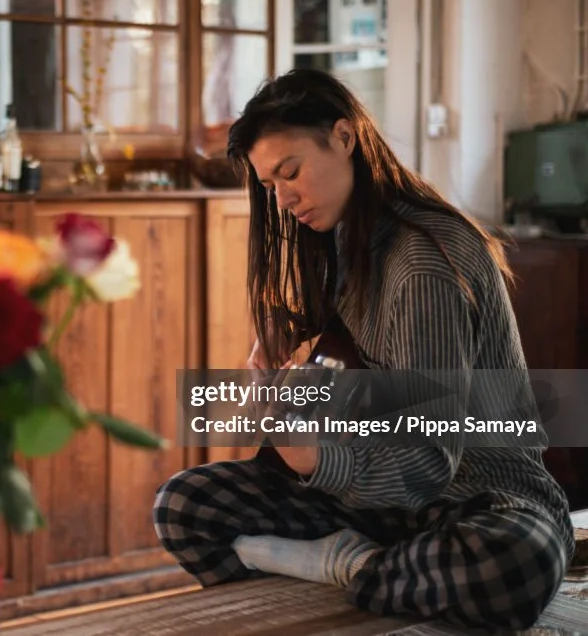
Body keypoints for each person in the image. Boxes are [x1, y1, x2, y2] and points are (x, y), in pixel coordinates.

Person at [153, 69, 573, 630]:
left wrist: (310, 454)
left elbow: (428, 462)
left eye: (291, 172)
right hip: (376, 503)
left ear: (345, 138)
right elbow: (353, 336)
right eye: (270, 184)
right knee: (185, 508)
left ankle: (345, 567)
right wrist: (288, 325)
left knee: (508, 566)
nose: (283, 199)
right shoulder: (345, 238)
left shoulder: (423, 264)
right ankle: (382, 578)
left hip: (481, 499)